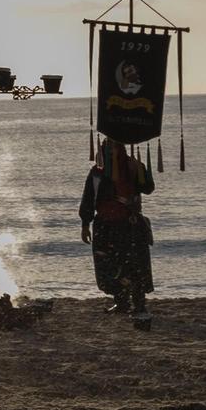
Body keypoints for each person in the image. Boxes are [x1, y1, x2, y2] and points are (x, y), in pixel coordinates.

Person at [81, 138, 155, 327]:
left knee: (135, 266)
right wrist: (85, 223)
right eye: (108, 148)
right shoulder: (97, 172)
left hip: (130, 225)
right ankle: (121, 301)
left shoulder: (132, 166)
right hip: (105, 226)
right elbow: (89, 197)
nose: (110, 151)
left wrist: (139, 168)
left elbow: (148, 188)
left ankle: (139, 304)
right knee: (109, 265)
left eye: (114, 147)